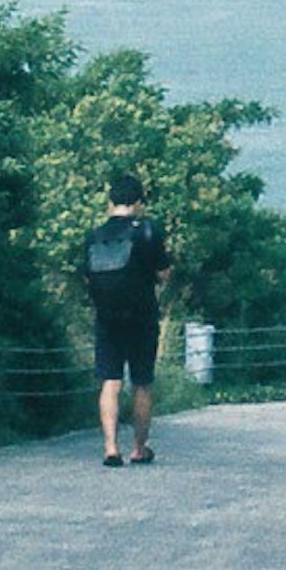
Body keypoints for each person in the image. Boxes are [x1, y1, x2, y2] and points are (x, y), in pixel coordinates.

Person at [80, 171, 172, 468]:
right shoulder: (147, 231)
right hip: (142, 316)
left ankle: (110, 447)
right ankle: (138, 448)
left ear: (111, 202)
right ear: (138, 202)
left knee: (111, 381)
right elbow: (164, 273)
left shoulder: (94, 235)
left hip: (106, 316)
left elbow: (85, 276)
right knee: (142, 382)